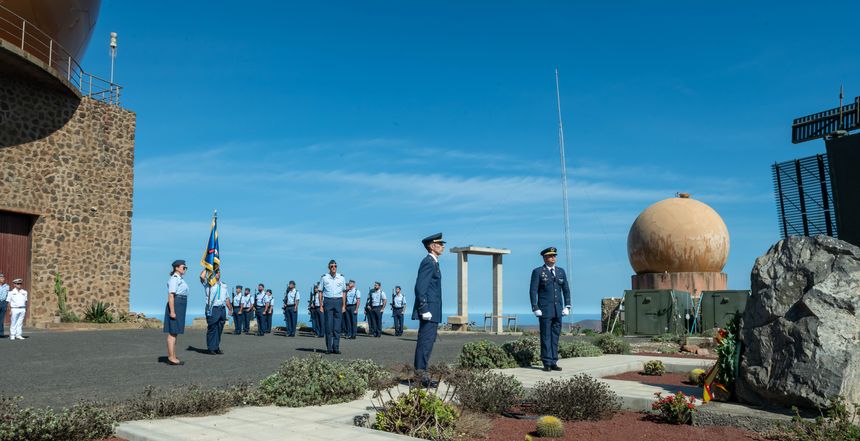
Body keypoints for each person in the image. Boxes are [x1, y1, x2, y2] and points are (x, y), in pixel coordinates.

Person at [529, 247, 572, 372]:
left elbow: (566, 289)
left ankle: (554, 361)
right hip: (545, 310)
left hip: (558, 310)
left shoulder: (560, 272)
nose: (554, 258)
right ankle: (546, 362)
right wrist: (535, 307)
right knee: (546, 336)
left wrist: (567, 306)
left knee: (556, 336)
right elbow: (533, 291)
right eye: (551, 256)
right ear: (545, 258)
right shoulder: (538, 272)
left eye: (554, 256)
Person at [413, 233, 444, 386]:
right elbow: (420, 287)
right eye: (440, 243)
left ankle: (422, 375)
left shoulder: (434, 263)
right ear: (432, 246)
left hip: (433, 310)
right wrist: (424, 308)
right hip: (429, 311)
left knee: (428, 344)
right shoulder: (428, 262)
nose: (443, 246)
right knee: (425, 344)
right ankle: (420, 377)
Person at [164, 260, 189, 365]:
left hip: (180, 304)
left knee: (175, 332)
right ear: (177, 268)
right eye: (184, 267)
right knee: (172, 332)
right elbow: (171, 295)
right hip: (176, 304)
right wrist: (172, 311)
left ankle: (173, 356)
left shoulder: (179, 279)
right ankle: (171, 357)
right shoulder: (174, 279)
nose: (185, 269)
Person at [319, 259, 346, 354]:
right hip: (328, 301)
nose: (334, 268)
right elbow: (320, 292)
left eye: (335, 266)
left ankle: (336, 347)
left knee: (337, 327)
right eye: (332, 266)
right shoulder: (324, 278)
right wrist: (321, 305)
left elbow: (343, 292)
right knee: (328, 326)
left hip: (338, 301)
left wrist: (344, 305)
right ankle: (329, 348)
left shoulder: (341, 278)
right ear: (329, 267)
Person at [200, 268, 230, 354]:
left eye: (219, 272)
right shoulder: (208, 284)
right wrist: (207, 267)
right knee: (212, 328)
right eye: (216, 272)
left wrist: (230, 308)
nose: (218, 273)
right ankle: (211, 348)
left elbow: (227, 297)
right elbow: (202, 276)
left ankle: (216, 346)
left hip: (222, 309)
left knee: (219, 329)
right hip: (213, 308)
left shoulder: (223, 285)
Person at [0, 274, 8, 338]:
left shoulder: (7, 286)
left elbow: (8, 296)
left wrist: (7, 304)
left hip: (3, 303)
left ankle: (1, 333)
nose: (3, 279)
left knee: (1, 319)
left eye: (3, 278)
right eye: (2, 278)